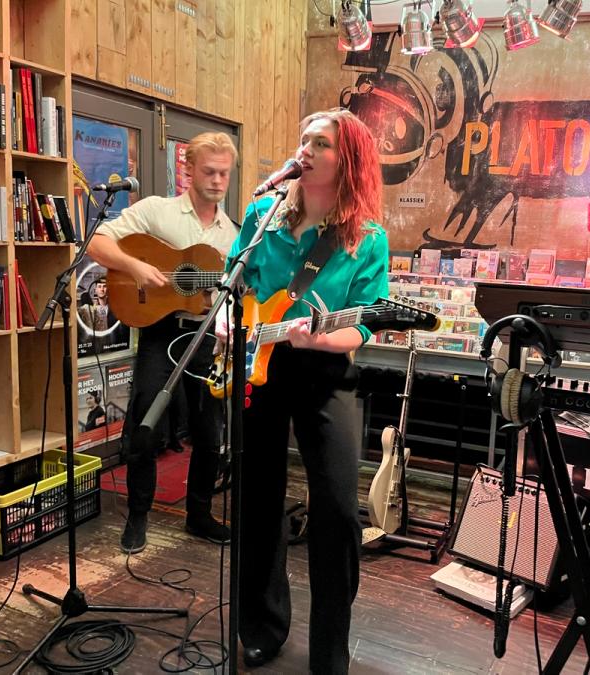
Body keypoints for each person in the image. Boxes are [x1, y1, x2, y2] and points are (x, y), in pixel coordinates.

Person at [215, 108, 389, 673]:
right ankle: (261, 628)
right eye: (303, 140)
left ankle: (329, 652)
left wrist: (314, 340)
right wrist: (227, 322)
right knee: (257, 499)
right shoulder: (262, 214)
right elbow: (236, 284)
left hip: (324, 376)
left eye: (321, 143)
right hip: (261, 368)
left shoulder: (366, 240)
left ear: (348, 161)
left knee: (337, 510)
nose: (305, 149)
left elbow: (361, 326)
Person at [86, 131, 240, 554]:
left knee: (210, 431)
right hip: (160, 332)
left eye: (224, 173)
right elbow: (97, 242)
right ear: (188, 169)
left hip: (206, 335)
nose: (217, 181)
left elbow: (235, 290)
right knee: (144, 424)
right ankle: (137, 516)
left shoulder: (233, 234)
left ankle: (200, 515)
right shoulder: (157, 211)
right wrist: (134, 265)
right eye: (209, 171)